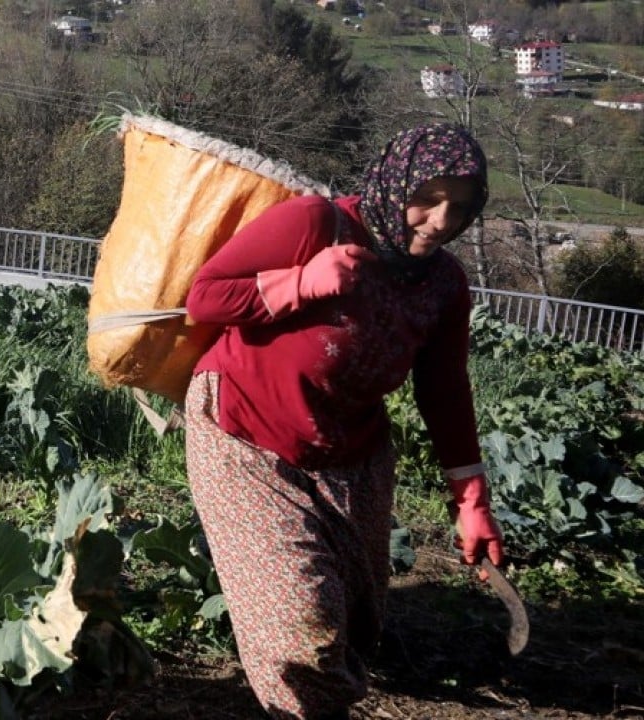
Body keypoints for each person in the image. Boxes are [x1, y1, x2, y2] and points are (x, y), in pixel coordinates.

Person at [183, 123, 505, 720]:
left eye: (460, 207)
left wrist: (471, 499)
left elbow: (444, 391)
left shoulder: (443, 284)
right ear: (395, 183)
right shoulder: (315, 223)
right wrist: (300, 283)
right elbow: (204, 296)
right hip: (246, 432)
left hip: (351, 450)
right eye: (427, 198)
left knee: (356, 618)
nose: (441, 220)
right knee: (302, 624)